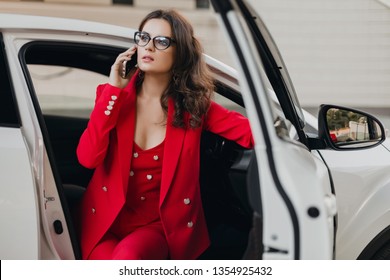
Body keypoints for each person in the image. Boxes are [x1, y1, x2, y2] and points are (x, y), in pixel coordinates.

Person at [76, 9, 254, 260]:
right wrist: (114, 90)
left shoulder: (195, 108)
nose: (148, 47)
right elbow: (87, 158)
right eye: (143, 38)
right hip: (106, 223)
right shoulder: (111, 98)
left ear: (179, 52)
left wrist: (295, 135)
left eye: (161, 41)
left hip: (157, 227)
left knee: (128, 258)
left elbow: (255, 133)